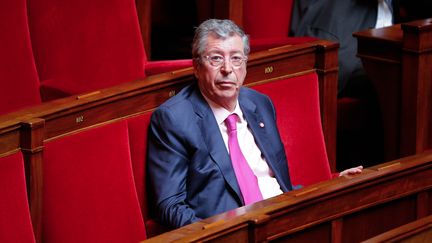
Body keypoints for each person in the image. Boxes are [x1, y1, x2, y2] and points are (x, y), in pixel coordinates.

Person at [147, 19, 362, 229]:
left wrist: (329, 186)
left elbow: (282, 186)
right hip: (232, 231)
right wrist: (215, 237)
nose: (227, 69)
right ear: (196, 67)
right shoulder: (174, 119)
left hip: (284, 221)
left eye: (236, 58)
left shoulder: (259, 103)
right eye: (215, 58)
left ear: (246, 65)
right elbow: (170, 205)